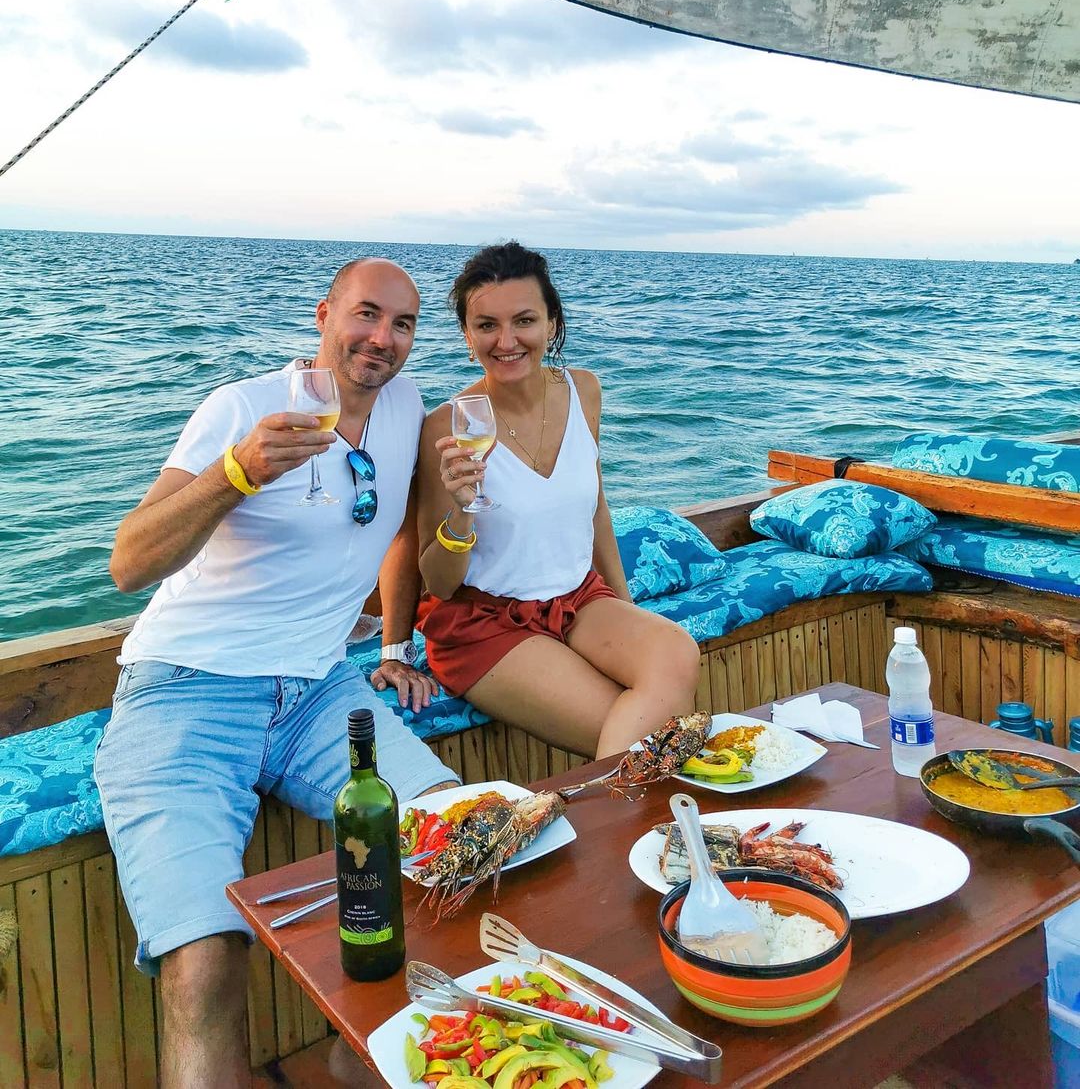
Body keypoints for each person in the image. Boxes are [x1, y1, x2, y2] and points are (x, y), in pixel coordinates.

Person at [96, 258, 458, 1089]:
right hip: (185, 690)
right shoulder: (244, 408)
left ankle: (357, 1057)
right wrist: (235, 474)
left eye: (403, 324)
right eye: (366, 314)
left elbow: (402, 526)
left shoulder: (405, 408)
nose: (382, 338)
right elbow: (128, 562)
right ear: (324, 314)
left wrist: (395, 647)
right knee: (205, 953)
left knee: (454, 841)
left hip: (321, 692)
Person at [417, 241, 701, 759]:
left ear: (552, 323)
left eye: (524, 320)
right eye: (486, 325)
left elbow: (596, 509)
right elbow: (438, 582)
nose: (506, 341)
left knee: (676, 651)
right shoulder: (446, 426)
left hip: (578, 599)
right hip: (485, 621)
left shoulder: (584, 391)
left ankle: (623, 808)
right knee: (642, 737)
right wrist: (462, 508)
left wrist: (625, 611)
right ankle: (626, 812)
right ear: (467, 335)